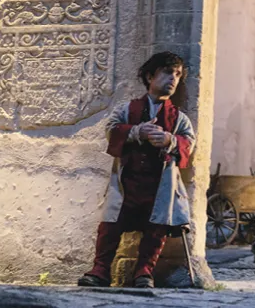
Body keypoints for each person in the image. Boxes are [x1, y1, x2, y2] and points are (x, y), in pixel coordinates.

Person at [77, 52, 196, 288]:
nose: (173, 79)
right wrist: (137, 132)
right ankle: (100, 271)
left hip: (158, 185)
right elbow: (111, 130)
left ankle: (144, 273)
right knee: (111, 224)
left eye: (177, 74)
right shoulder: (127, 109)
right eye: (167, 72)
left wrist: (169, 140)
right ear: (150, 76)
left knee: (155, 229)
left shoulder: (179, 118)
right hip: (127, 182)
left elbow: (189, 143)